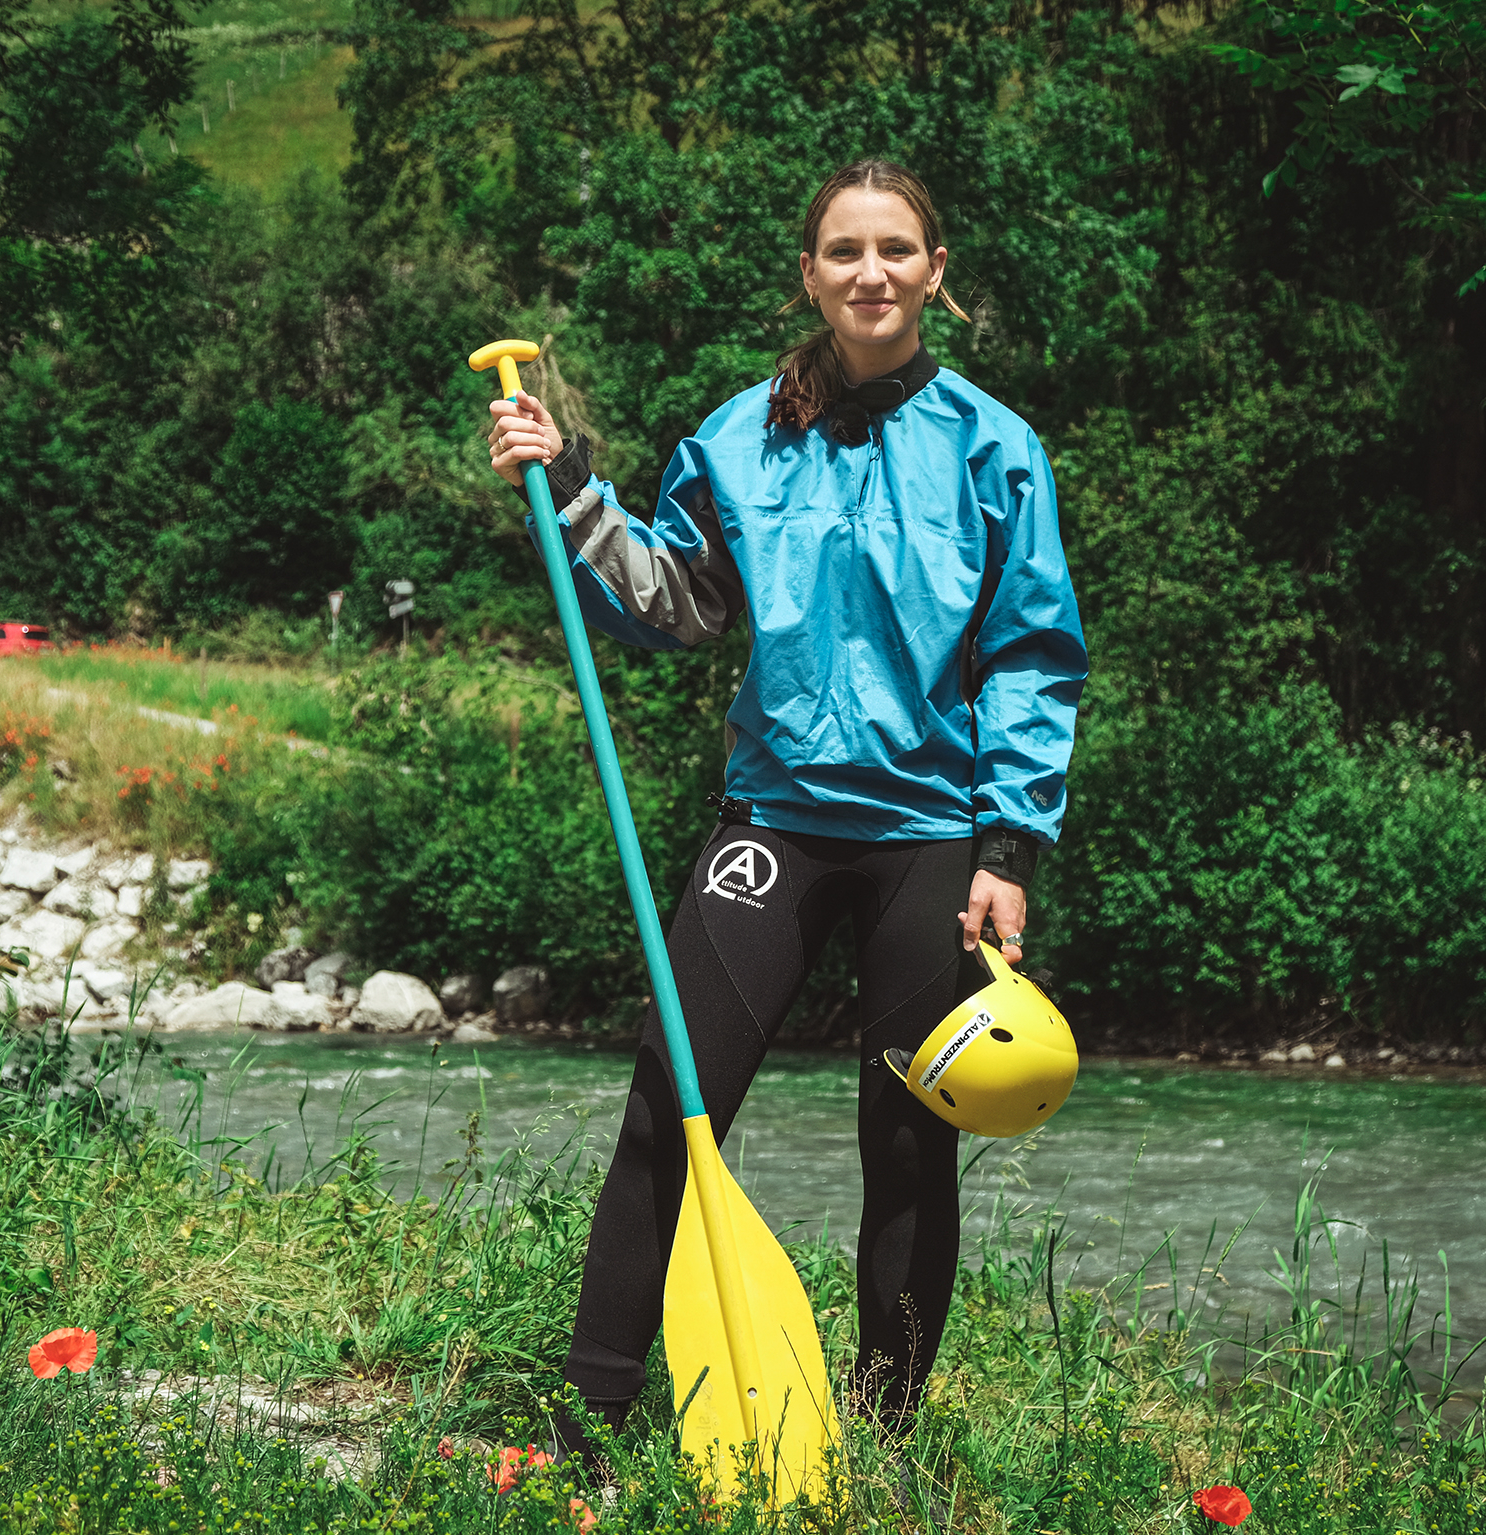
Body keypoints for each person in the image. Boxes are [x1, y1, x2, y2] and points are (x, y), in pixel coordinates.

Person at [485, 158, 1087, 1446]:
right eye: (844, 251)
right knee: (672, 1098)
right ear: (809, 275)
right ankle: (584, 1429)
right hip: (777, 821)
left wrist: (1011, 842)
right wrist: (575, 491)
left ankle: (884, 1440)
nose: (870, 272)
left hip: (934, 841)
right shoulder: (741, 432)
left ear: (937, 272)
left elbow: (1032, 653)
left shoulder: (997, 448)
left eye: (896, 249)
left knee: (911, 1143)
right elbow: (680, 603)